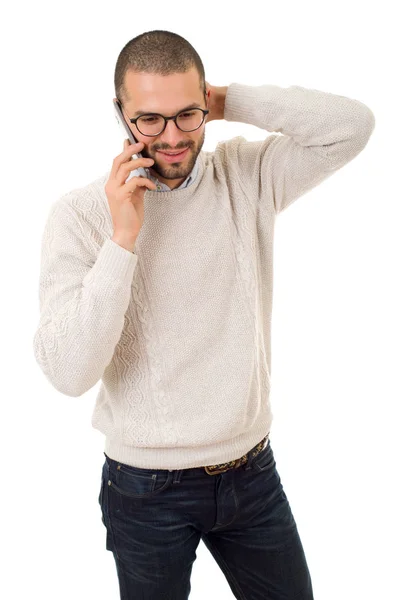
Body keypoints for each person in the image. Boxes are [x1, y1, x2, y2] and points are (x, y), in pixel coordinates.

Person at [33, 29, 375, 600]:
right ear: (121, 113)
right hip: (145, 491)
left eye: (186, 114)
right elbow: (67, 372)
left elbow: (351, 127)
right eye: (149, 119)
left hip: (252, 472)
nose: (171, 137)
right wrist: (124, 240)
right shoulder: (81, 215)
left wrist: (228, 100)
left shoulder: (245, 175)